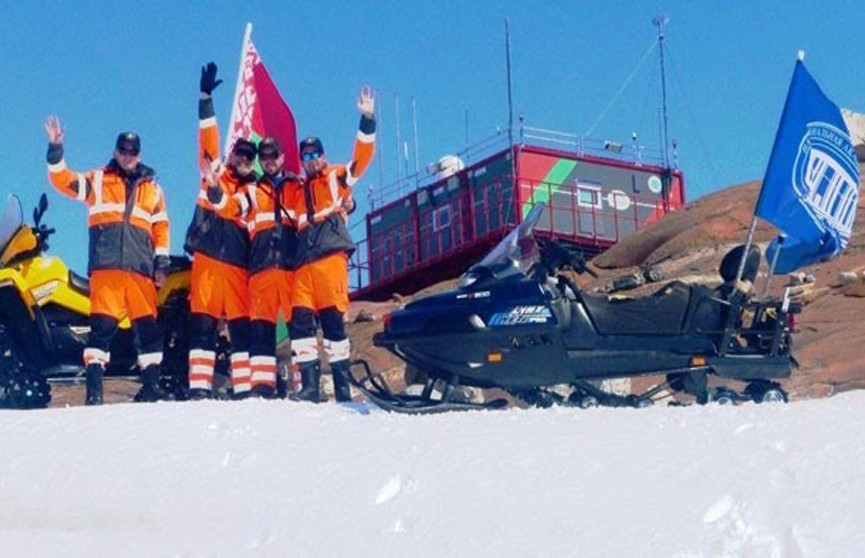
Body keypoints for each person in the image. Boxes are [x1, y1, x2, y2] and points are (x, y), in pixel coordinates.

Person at [44, 116, 170, 405]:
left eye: (132, 152)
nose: (127, 156)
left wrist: (161, 261)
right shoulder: (97, 180)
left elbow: (161, 226)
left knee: (148, 332)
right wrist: (55, 147)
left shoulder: (153, 188)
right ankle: (94, 393)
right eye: (123, 151)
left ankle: (151, 389)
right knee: (101, 331)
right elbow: (62, 180)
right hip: (107, 268)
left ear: (139, 154)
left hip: (140, 270)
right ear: (115, 151)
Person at [287, 86, 376, 403]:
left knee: (333, 323)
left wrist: (367, 121)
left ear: (322, 156)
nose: (310, 161)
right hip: (303, 263)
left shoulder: (335, 177)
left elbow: (360, 162)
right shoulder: (295, 190)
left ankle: (341, 388)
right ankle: (309, 386)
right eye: (305, 157)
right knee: (299, 323)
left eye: (314, 155)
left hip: (329, 260)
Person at [183, 61, 254, 399]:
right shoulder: (213, 169)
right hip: (208, 260)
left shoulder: (254, 190)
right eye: (241, 152)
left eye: (249, 156)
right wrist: (205, 98)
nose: (244, 159)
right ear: (231, 153)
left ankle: (243, 389)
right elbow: (208, 136)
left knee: (241, 329)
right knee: (202, 325)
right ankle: (199, 387)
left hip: (238, 267)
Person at [209, 137, 298, 398]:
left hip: (291, 269)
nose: (269, 161)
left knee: (300, 331)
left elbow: (321, 208)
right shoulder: (251, 192)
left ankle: (306, 385)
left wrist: (350, 205)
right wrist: (215, 191)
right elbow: (230, 208)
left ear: (282, 157)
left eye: (273, 156)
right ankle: (262, 388)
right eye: (264, 157)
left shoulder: (297, 186)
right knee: (261, 332)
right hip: (260, 272)